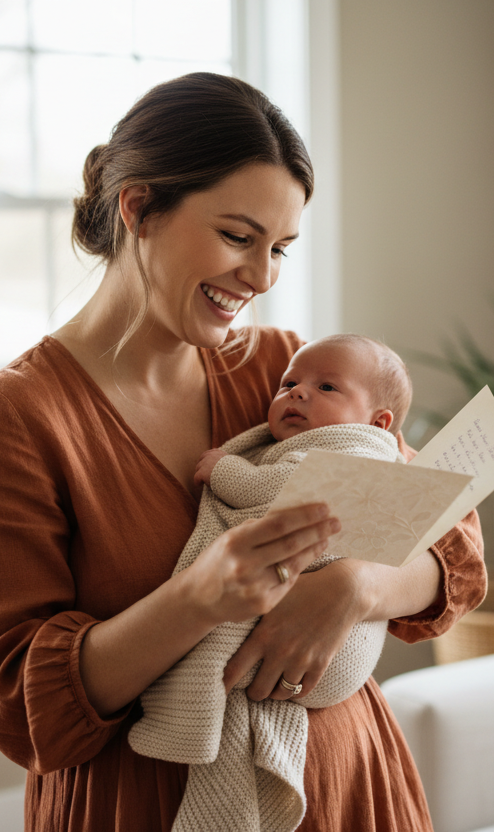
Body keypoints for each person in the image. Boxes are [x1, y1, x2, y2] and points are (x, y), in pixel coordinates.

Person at [0, 72, 486, 832]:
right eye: (238, 237)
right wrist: (200, 598)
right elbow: (14, 703)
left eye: (281, 249)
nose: (261, 277)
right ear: (138, 207)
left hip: (347, 791)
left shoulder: (288, 375)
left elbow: (450, 540)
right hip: (143, 807)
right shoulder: (14, 419)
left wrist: (356, 586)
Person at [129, 335, 414, 831]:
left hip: (337, 661)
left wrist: (225, 470)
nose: (297, 393)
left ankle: (190, 700)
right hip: (324, 674)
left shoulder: (350, 453)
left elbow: (274, 494)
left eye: (326, 386)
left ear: (378, 423)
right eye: (289, 383)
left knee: (223, 639)